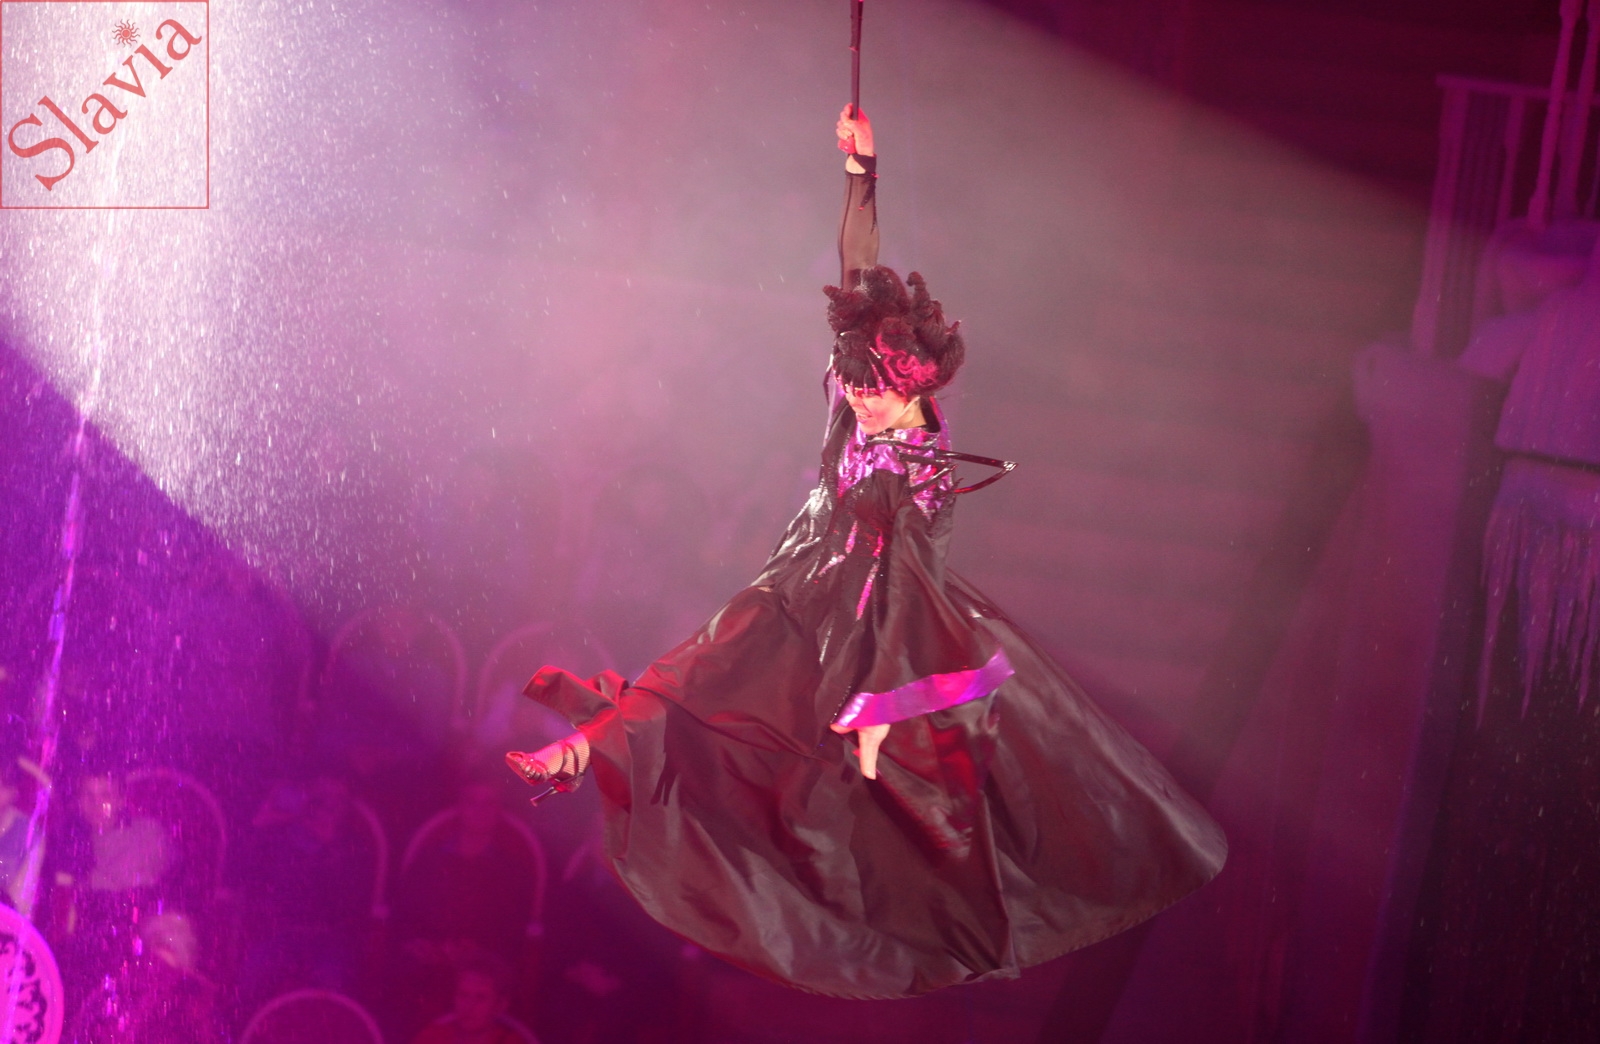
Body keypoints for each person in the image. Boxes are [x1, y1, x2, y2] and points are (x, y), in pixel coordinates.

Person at [506, 105, 1227, 999]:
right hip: (792, 582)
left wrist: (883, 702)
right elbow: (859, 272)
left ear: (914, 385)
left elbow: (911, 586)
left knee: (824, 786)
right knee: (685, 678)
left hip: (869, 618)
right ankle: (579, 752)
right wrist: (862, 172)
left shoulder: (923, 473)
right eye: (850, 382)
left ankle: (873, 912)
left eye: (873, 392)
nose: (856, 400)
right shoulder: (859, 378)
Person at [410, 952, 535, 1044]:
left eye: (480, 998)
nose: (468, 1006)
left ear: (500, 1005)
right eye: (463, 995)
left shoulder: (513, 1042)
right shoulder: (432, 1037)